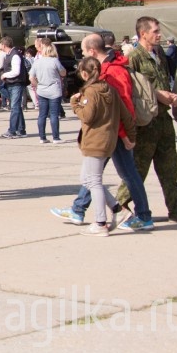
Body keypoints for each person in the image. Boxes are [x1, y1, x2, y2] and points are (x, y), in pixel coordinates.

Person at [50, 34, 154, 231]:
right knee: (94, 176)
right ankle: (80, 209)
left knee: (120, 175)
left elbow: (123, 106)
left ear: (92, 51)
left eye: (82, 51)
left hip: (112, 134)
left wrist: (124, 135)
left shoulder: (114, 71)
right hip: (111, 133)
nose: (81, 55)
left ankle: (141, 215)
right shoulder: (109, 69)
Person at [115, 16, 177, 225]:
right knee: (138, 170)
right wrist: (157, 94)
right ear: (143, 33)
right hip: (145, 122)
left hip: (163, 121)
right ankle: (120, 207)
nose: (159, 34)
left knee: (169, 168)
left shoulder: (160, 53)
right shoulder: (134, 57)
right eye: (155, 31)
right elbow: (132, 88)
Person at [71, 57, 135, 237]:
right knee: (87, 179)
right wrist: (131, 136)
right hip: (108, 140)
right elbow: (126, 115)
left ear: (84, 74)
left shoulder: (90, 92)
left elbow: (88, 116)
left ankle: (100, 222)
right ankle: (117, 208)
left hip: (94, 141)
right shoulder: (111, 90)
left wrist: (75, 104)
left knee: (94, 181)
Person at [30, 42, 66, 143]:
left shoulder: (37, 62)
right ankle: (56, 137)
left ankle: (42, 137)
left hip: (41, 90)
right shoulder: (55, 61)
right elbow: (63, 72)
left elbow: (31, 77)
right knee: (54, 115)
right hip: (54, 90)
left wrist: (38, 85)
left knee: (42, 115)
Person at [0, 37, 28, 138]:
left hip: (16, 84)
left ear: (4, 45)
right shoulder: (7, 54)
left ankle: (12, 130)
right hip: (12, 84)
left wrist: (5, 75)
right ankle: (21, 129)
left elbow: (16, 71)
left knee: (14, 107)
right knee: (16, 107)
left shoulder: (15, 55)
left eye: (0, 44)